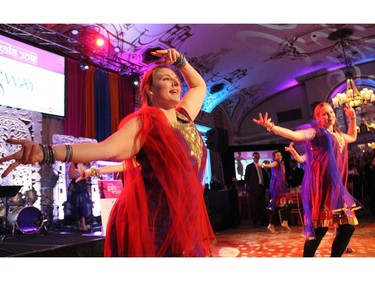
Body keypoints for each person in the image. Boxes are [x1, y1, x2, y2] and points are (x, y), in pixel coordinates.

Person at [0, 48, 216, 257]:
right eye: (165, 78)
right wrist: (46, 152)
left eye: (175, 78)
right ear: (150, 90)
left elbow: (198, 86)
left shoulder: (185, 117)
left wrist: (180, 61)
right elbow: (104, 149)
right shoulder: (145, 124)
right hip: (158, 223)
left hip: (189, 219)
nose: (176, 81)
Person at [253, 102, 362, 257]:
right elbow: (295, 135)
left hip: (338, 190)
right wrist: (272, 127)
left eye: (331, 112)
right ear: (318, 118)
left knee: (348, 227)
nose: (329, 115)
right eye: (324, 113)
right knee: (321, 228)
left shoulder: (338, 134)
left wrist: (352, 119)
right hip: (324, 187)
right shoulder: (317, 133)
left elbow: (352, 136)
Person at [260, 150, 291, 233]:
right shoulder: (276, 162)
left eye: (280, 155)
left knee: (278, 206)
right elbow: (270, 165)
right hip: (276, 187)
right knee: (286, 203)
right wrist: (263, 165)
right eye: (277, 155)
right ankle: (283, 221)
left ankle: (273, 224)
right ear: (274, 157)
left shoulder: (281, 164)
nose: (279, 156)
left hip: (281, 186)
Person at [65, 162, 92, 231]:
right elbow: (70, 176)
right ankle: (79, 224)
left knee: (83, 204)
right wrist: (79, 175)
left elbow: (87, 177)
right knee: (75, 204)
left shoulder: (85, 165)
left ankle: (83, 224)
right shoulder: (73, 165)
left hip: (82, 185)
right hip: (75, 186)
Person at [244, 152, 267, 228]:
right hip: (254, 189)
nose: (257, 158)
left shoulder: (261, 166)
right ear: (253, 158)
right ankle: (255, 221)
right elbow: (246, 178)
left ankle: (262, 221)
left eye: (258, 157)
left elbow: (264, 177)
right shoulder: (249, 166)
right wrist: (247, 187)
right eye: (255, 157)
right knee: (254, 205)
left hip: (261, 188)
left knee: (262, 205)